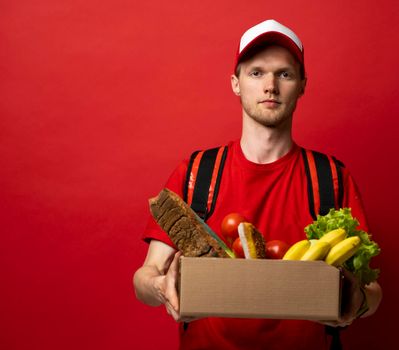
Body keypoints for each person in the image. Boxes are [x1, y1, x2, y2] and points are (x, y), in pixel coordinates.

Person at [133, 19, 382, 350]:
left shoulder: (330, 177)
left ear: (303, 85)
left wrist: (357, 303)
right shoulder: (197, 172)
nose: (270, 86)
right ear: (236, 83)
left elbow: (374, 292)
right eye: (256, 72)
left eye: (284, 74)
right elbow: (144, 278)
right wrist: (163, 286)